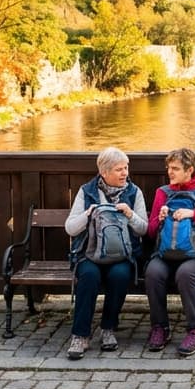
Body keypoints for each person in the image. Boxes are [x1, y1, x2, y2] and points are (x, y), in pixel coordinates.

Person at [63, 147, 148, 360]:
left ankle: (108, 328)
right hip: (89, 254)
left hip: (123, 255)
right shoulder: (87, 191)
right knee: (89, 275)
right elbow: (70, 228)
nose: (125, 173)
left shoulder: (134, 192)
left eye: (126, 168)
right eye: (119, 169)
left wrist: (129, 214)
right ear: (104, 172)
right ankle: (80, 335)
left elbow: (144, 229)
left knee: (119, 275)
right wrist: (88, 213)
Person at [144, 148, 195, 356]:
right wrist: (159, 220)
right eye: (169, 168)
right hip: (167, 252)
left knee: (185, 273)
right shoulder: (163, 193)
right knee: (153, 272)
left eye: (176, 168)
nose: (170, 172)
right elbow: (151, 232)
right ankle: (160, 327)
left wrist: (194, 214)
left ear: (190, 170)